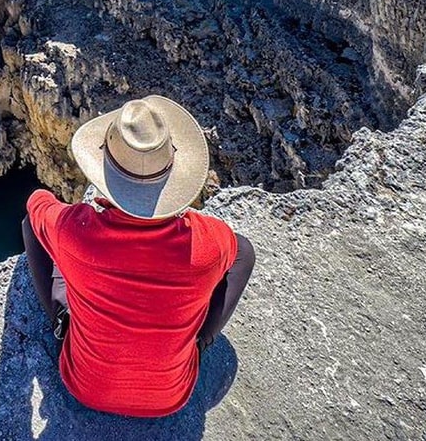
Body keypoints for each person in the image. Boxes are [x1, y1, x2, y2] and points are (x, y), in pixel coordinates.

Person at [21, 95, 256, 418]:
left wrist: (55, 204)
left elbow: (36, 204)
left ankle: (61, 323)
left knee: (33, 230)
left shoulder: (76, 231)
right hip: (171, 396)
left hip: (85, 387)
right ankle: (199, 342)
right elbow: (241, 252)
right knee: (244, 250)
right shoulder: (209, 241)